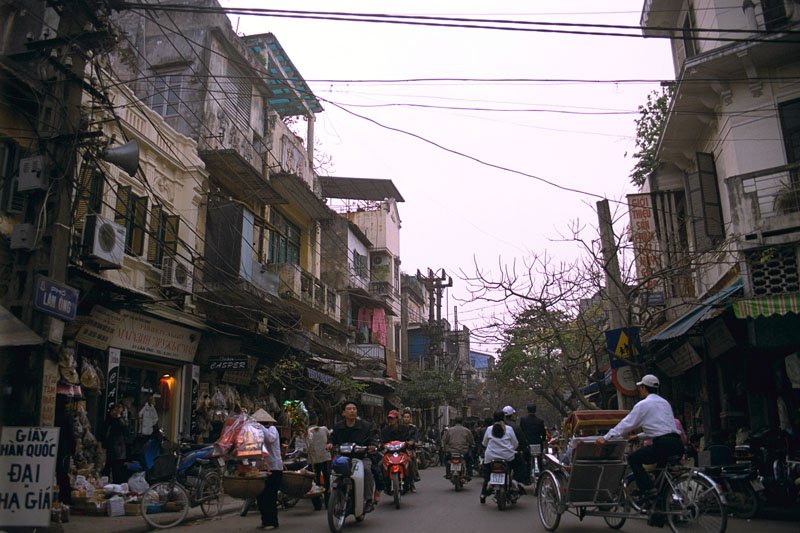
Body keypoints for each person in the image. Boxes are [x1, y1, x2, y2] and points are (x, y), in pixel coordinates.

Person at [596, 374, 684, 501]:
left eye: (640, 387)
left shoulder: (643, 405)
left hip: (662, 444)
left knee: (633, 459)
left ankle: (648, 490)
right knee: (661, 475)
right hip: (676, 443)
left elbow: (627, 424)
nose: (639, 390)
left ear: (644, 387)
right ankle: (660, 509)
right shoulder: (665, 403)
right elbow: (662, 429)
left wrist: (606, 437)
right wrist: (638, 436)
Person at [327, 401, 383, 508]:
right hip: (343, 457)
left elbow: (373, 439)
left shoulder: (366, 426)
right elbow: (332, 438)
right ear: (343, 413)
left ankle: (368, 500)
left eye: (354, 409)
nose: (352, 411)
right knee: (333, 469)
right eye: (349, 409)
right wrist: (329, 444)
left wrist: (372, 446)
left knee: (366, 470)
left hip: (362, 458)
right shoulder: (338, 426)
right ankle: (334, 495)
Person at [480, 410, 524, 503]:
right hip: (507, 457)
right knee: (520, 463)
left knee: (487, 473)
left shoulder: (489, 429)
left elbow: (484, 443)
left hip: (490, 457)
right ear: (503, 418)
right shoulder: (509, 429)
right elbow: (515, 444)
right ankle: (515, 481)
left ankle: (485, 491)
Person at [253, 408, 282, 530]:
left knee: (270, 496)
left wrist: (260, 427)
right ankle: (265, 521)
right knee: (260, 496)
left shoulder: (272, 429)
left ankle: (272, 522)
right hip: (260, 469)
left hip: (274, 468)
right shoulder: (255, 433)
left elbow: (270, 439)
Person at [307, 413, 331, 511]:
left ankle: (317, 505)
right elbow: (330, 436)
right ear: (317, 420)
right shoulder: (324, 429)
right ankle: (328, 503)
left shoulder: (306, 432)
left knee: (314, 482)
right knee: (327, 480)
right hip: (325, 458)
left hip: (313, 460)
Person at [502, 405, 530, 484]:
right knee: (522, 466)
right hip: (511, 454)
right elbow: (520, 442)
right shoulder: (515, 427)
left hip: (495, 455)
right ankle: (515, 481)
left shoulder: (495, 426)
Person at [103, 403, 128, 483]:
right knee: (106, 469)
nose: (114, 412)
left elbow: (124, 430)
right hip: (110, 449)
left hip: (117, 450)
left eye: (116, 411)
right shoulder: (108, 420)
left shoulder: (120, 421)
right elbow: (103, 433)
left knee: (116, 471)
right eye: (113, 410)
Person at [520, 403, 548, 475]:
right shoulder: (540, 421)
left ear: (527, 410)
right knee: (539, 460)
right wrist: (543, 440)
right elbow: (543, 434)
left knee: (527, 461)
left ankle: (527, 478)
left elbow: (521, 432)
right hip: (538, 444)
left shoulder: (523, 420)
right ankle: (541, 475)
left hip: (527, 444)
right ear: (535, 410)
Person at [401, 410, 421, 484]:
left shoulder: (413, 428)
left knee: (413, 462)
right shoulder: (400, 427)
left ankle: (414, 479)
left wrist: (411, 442)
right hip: (400, 449)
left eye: (407, 417)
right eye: (405, 417)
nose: (406, 418)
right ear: (402, 418)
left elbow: (415, 438)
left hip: (410, 449)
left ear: (410, 418)